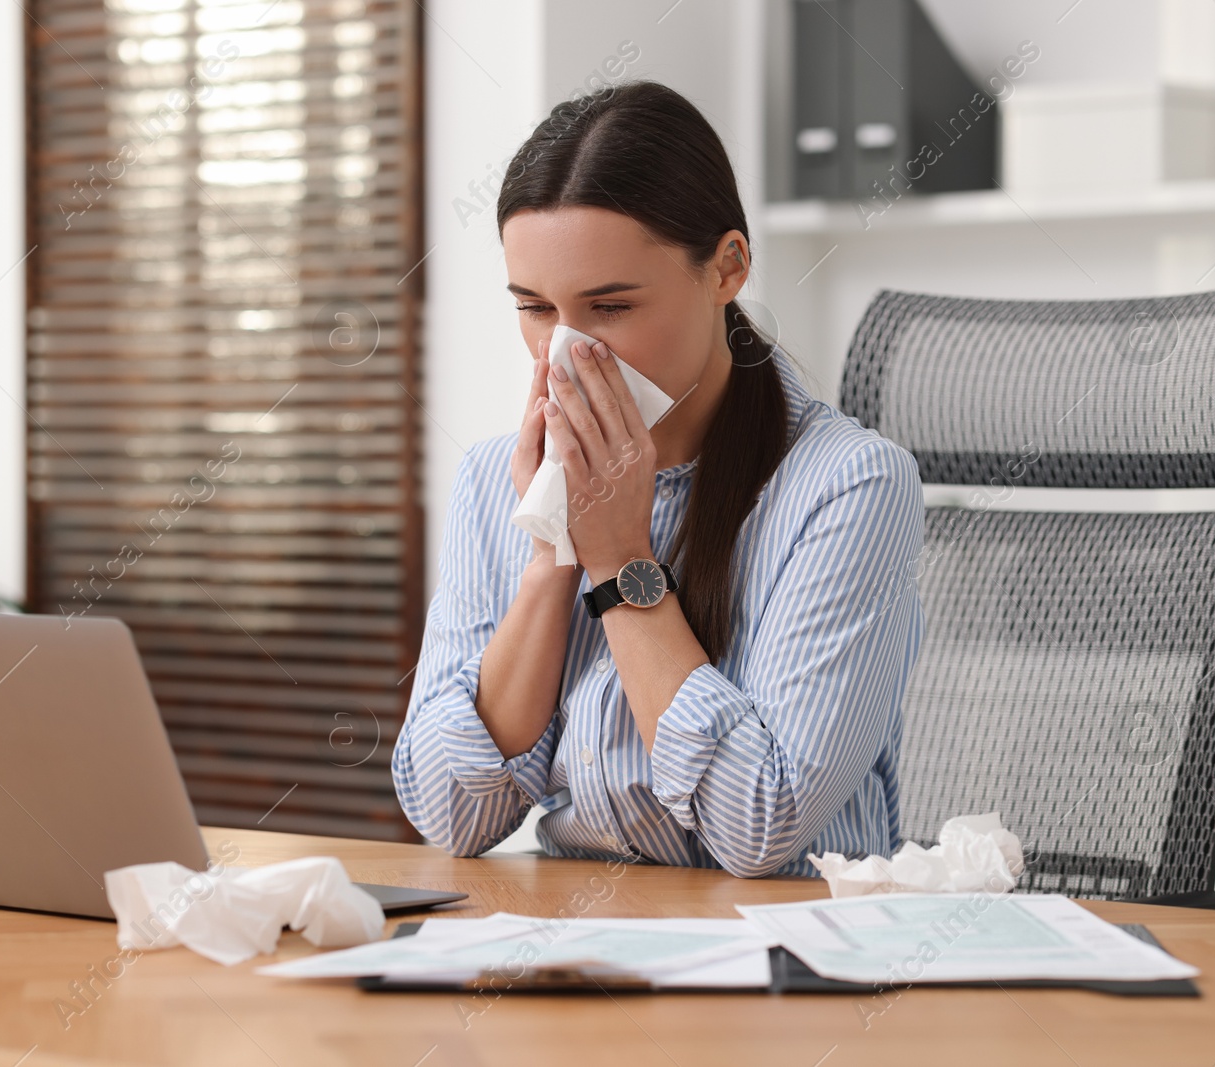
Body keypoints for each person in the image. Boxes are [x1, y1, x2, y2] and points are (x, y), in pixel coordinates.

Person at [391, 80, 926, 878]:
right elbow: (451, 814)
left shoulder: (848, 486)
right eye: (535, 308)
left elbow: (760, 827)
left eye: (609, 307)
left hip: (783, 960)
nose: (563, 355)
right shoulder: (493, 477)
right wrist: (550, 555)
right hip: (581, 947)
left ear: (728, 268)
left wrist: (617, 561)